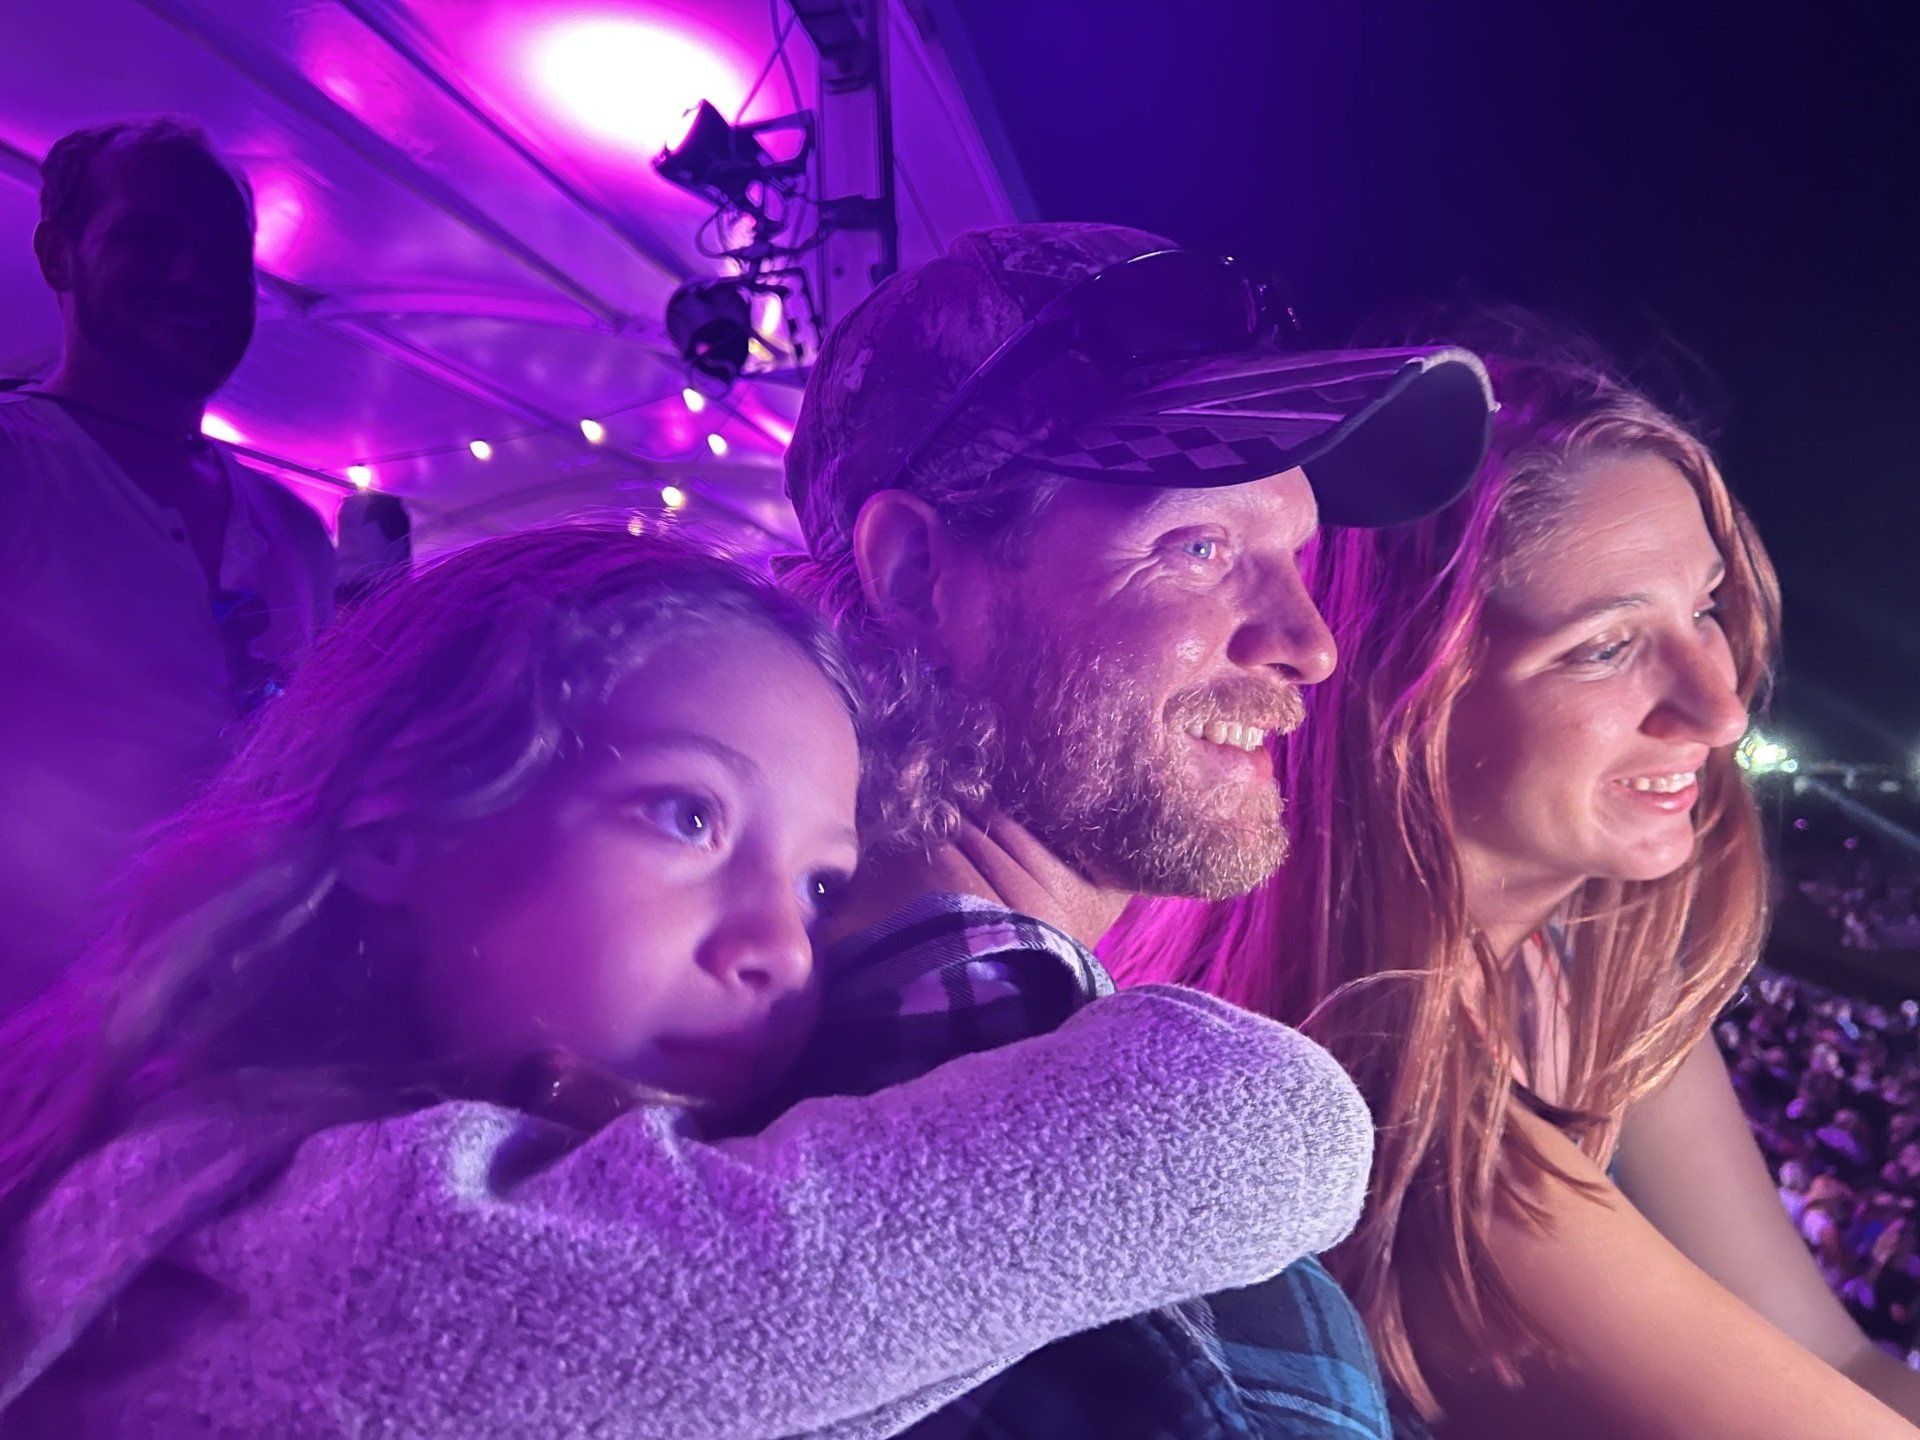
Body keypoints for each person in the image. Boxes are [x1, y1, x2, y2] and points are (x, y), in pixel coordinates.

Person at [0, 524, 1366, 1438]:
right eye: (687, 817)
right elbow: (1261, 1122)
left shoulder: (197, 1159)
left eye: (820, 885)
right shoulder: (341, 1254)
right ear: (396, 823)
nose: (780, 945)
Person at [1107, 323, 1920, 1438]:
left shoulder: (1579, 963)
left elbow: (1834, 1356)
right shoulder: (1386, 1118)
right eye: (1605, 647)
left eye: (1703, 610)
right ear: (1400, 696)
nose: (1723, 708)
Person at [776, 223, 1497, 1437]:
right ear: (915, 575)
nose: (1310, 644)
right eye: (1199, 547)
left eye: (1296, 556)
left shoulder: (738, 1026)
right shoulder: (1146, 1291)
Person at [0, 118, 334, 1012]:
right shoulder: (16, 468)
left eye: (223, 252)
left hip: (229, 1025)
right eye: (147, 239)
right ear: (59, 255)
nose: (193, 274)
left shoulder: (294, 531)